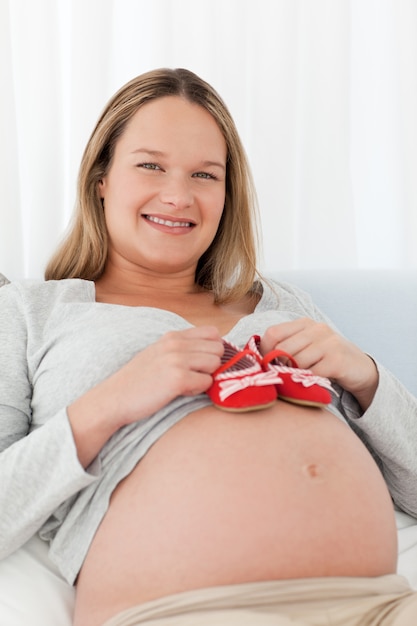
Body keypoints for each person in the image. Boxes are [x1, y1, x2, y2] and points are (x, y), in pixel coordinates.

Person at [1, 68, 417, 626]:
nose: (178, 195)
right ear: (101, 177)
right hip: (192, 608)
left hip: (380, 604)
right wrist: (111, 402)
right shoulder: (31, 311)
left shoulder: (283, 301)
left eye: (205, 174)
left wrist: (368, 380)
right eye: (150, 165)